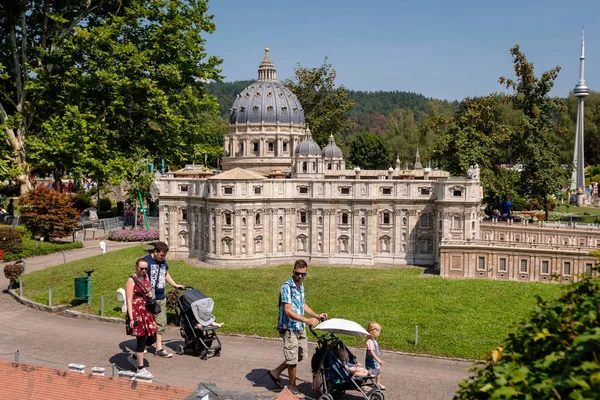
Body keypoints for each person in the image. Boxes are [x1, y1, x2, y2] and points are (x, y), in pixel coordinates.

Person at [268, 259, 328, 397]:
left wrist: (317, 316)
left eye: (303, 274)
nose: (300, 277)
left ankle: (275, 372)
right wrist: (307, 320)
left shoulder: (301, 285)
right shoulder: (286, 287)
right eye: (298, 274)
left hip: (299, 327)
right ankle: (293, 386)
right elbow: (288, 311)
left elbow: (302, 304)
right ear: (293, 271)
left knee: (300, 355)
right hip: (289, 328)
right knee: (292, 359)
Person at [143, 241, 185, 358]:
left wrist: (175, 284)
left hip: (161, 297)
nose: (163, 258)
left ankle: (159, 348)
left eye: (164, 256)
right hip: (149, 299)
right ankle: (143, 347)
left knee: (161, 323)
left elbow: (165, 273)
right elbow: (139, 277)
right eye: (161, 255)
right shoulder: (146, 261)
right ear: (155, 252)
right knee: (147, 324)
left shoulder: (163, 262)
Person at [125, 258, 158, 378]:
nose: (144, 270)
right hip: (136, 311)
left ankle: (134, 357)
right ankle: (140, 367)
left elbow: (148, 290)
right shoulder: (131, 280)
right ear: (136, 267)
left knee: (152, 338)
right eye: (141, 268)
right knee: (141, 339)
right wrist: (131, 318)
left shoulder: (146, 277)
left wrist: (149, 294)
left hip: (147, 311)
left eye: (145, 268)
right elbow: (128, 300)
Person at [365, 321, 385, 390]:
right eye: (378, 331)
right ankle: (363, 383)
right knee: (370, 373)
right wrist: (378, 360)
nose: (379, 333)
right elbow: (372, 352)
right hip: (371, 361)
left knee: (379, 371)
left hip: (374, 361)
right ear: (373, 332)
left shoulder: (373, 340)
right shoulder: (370, 342)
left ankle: (378, 383)